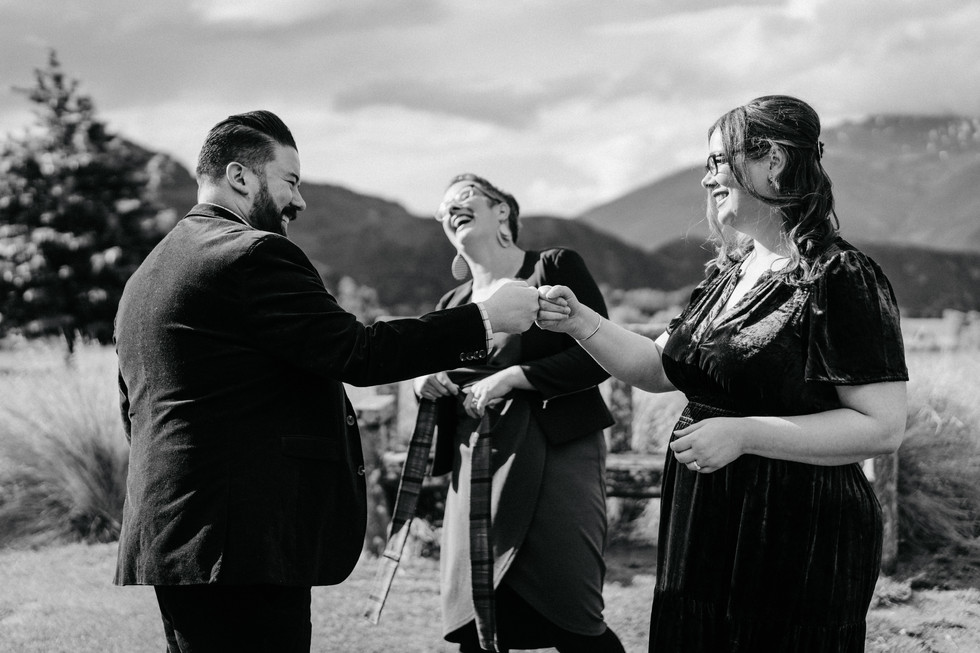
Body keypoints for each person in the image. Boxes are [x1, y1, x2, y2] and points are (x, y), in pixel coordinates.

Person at [112, 111, 539, 653]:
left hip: (175, 534)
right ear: (241, 176)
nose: (299, 200)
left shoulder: (146, 274)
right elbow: (357, 352)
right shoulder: (252, 255)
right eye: (290, 180)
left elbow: (134, 409)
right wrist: (484, 317)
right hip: (242, 541)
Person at [536, 96, 909, 652]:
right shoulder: (728, 275)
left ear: (773, 161)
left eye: (718, 160)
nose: (707, 177)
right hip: (705, 524)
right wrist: (578, 320)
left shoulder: (839, 275)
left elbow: (881, 427)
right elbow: (656, 367)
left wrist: (744, 433)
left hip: (795, 534)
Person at [410, 174, 626, 653]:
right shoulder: (452, 304)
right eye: (444, 207)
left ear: (502, 210)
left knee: (573, 608)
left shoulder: (553, 267)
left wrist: (512, 377)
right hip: (476, 465)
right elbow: (434, 375)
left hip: (557, 452)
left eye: (464, 197)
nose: (451, 209)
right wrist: (424, 382)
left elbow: (598, 354)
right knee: (477, 617)